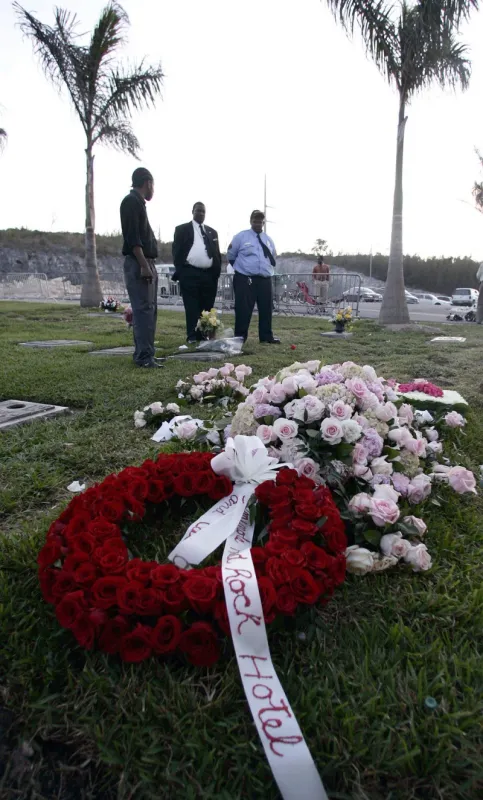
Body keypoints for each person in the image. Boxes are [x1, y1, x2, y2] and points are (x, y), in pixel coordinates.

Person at [120, 167, 163, 368]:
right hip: (139, 262)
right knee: (143, 310)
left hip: (146, 261)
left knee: (150, 310)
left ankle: (148, 352)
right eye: (153, 185)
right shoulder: (131, 202)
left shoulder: (139, 203)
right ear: (147, 183)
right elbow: (133, 238)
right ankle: (143, 357)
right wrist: (144, 265)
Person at [227, 210, 280, 343]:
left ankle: (266, 337)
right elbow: (231, 256)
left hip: (264, 279)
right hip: (245, 279)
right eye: (255, 221)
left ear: (263, 223)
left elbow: (273, 257)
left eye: (261, 222)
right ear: (251, 221)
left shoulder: (268, 239)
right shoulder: (241, 237)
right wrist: (243, 270)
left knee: (266, 309)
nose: (258, 224)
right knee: (243, 309)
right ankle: (240, 337)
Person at [172, 203, 221, 343]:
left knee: (207, 307)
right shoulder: (182, 230)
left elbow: (217, 253)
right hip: (190, 273)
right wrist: (181, 271)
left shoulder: (212, 232)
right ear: (192, 211)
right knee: (192, 306)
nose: (201, 214)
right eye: (198, 211)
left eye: (203, 212)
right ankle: (192, 336)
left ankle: (205, 335)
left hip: (209, 275)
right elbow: (177, 252)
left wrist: (216, 272)